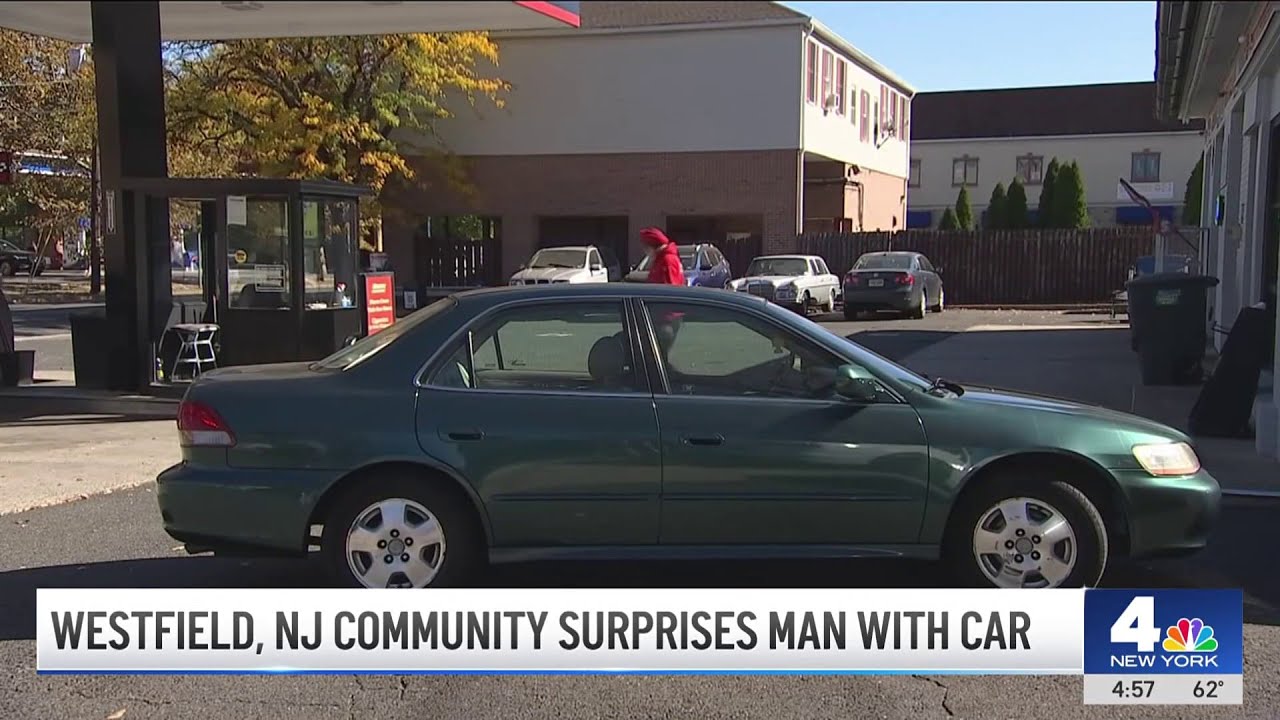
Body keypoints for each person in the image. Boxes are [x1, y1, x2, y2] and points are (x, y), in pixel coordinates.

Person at [639, 227, 685, 359]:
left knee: (658, 356)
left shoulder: (667, 260)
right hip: (664, 315)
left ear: (652, 246)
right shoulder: (663, 259)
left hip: (666, 318)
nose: (644, 250)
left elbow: (670, 289)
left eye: (645, 247)